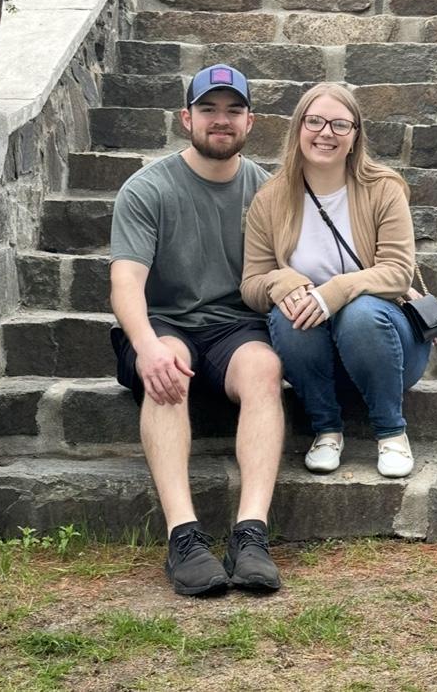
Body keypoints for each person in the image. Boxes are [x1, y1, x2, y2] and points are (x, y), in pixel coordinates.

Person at [109, 64, 284, 597]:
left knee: (265, 367)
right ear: (187, 117)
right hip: (166, 322)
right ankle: (184, 536)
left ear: (251, 121)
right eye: (209, 109)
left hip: (236, 327)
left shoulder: (269, 191)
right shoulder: (148, 189)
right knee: (168, 364)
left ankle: (250, 534)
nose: (221, 121)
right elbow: (125, 283)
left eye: (233, 110)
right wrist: (145, 348)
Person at [241, 84, 431, 479]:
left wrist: (335, 291)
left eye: (340, 124)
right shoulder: (270, 200)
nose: (326, 132)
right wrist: (280, 280)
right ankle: (326, 430)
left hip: (389, 347)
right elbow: (252, 285)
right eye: (315, 121)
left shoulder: (383, 188)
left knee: (359, 312)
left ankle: (392, 433)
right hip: (315, 354)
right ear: (298, 129)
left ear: (355, 136)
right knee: (288, 312)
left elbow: (398, 272)